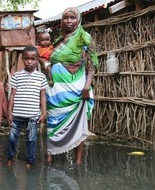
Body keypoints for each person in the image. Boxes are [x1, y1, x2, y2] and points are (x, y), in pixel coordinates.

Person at [46, 7, 99, 165]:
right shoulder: (58, 39)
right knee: (53, 123)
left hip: (76, 89)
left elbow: (93, 65)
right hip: (55, 92)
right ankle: (50, 156)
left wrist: (86, 87)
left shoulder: (85, 37)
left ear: (78, 20)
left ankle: (78, 161)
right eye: (65, 18)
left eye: (72, 17)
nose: (68, 21)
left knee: (79, 123)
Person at [6, 46, 48, 169]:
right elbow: (12, 95)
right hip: (17, 114)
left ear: (37, 60)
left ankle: (30, 162)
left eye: (32, 59)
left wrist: (44, 112)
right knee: (12, 139)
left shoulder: (41, 77)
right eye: (26, 59)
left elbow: (43, 96)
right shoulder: (17, 76)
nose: (29, 61)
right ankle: (9, 158)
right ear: (22, 59)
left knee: (31, 140)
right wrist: (9, 113)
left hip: (33, 115)